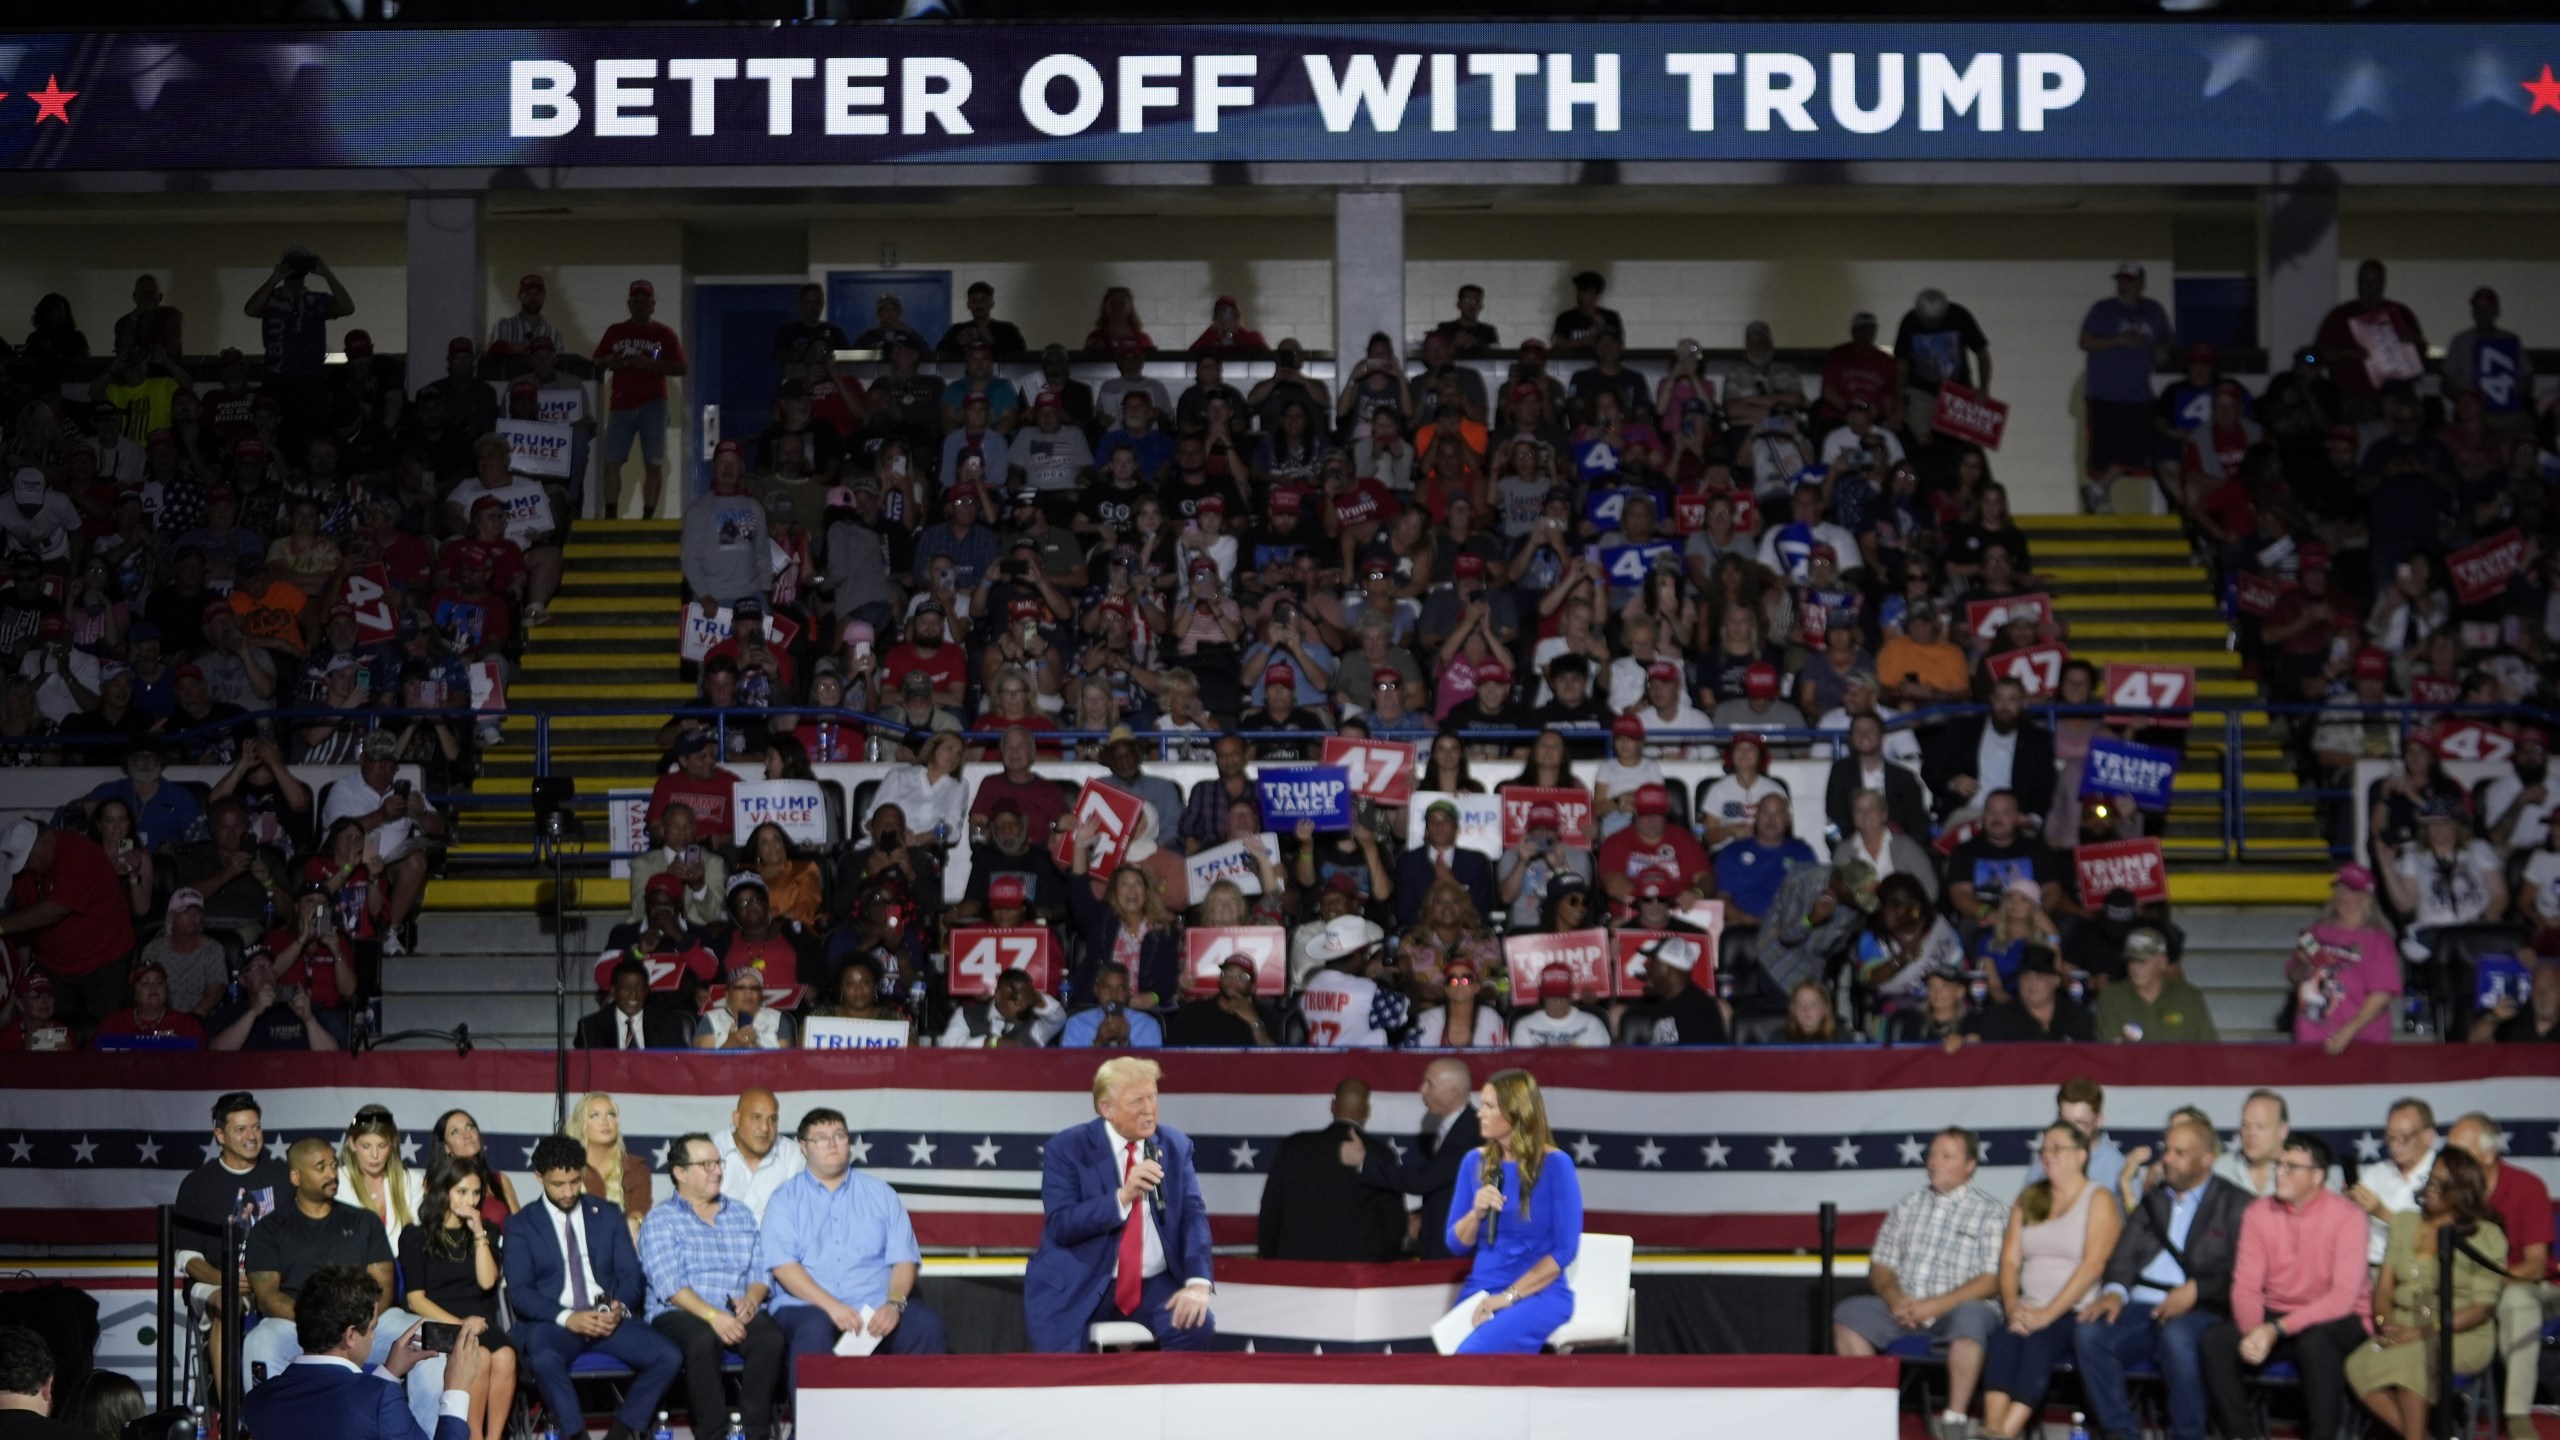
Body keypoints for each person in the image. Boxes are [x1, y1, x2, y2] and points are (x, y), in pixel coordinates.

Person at [2071, 1112, 2250, 1440]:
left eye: (2179, 1153)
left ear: (2206, 1159)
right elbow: (2124, 1254)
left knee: (2178, 1338)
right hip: (2144, 1306)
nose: (2167, 1159)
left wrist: (2196, 1291)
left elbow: (2243, 1270)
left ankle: (2188, 1435)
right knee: (2089, 1334)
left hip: (2203, 1308)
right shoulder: (2154, 1200)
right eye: (2167, 1150)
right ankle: (2121, 1433)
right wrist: (2113, 1292)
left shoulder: (2235, 1204)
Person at [1023, 1057, 1216, 1353]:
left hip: (1152, 1282)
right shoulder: (1068, 1149)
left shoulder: (1174, 1146)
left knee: (1195, 1325)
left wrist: (1198, 1281)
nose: (1149, 1109)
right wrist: (1122, 1197)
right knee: (1061, 1372)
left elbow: (1193, 1217)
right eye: (1136, 1101)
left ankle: (1162, 1399)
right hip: (1080, 1282)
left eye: (1152, 1096)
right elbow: (1062, 1225)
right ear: (1107, 1109)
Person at [1833, 1128, 2009, 1439]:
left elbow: (1992, 1280)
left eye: (1946, 1156)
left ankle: (1954, 1421)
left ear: (1969, 1166)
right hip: (1905, 1309)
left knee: (1972, 1316)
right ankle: (1870, 1412)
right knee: (1849, 1315)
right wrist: (1895, 1298)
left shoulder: (1991, 1212)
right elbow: (1881, 1266)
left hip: (1955, 1313)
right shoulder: (1907, 1206)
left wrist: (1935, 1305)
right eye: (1932, 1154)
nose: (1934, 1162)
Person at [503, 1135, 681, 1440]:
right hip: (556, 1322)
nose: (569, 1191)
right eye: (559, 1184)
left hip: (607, 1319)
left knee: (669, 1356)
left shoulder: (608, 1214)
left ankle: (620, 1433)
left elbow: (631, 1275)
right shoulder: (522, 1225)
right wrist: (568, 1317)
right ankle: (577, 1436)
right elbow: (521, 1293)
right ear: (539, 1177)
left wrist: (619, 1307)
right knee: (544, 1359)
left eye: (575, 1181)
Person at [2199, 1133, 2372, 1440]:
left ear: (2317, 1176)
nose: (2279, 1172)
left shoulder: (2349, 1216)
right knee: (2215, 1342)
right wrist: (2254, 1331)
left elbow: (2343, 1299)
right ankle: (2242, 1435)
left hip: (2340, 1320)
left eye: (2291, 1167)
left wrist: (2274, 1330)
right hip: (2277, 1315)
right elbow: (2246, 1286)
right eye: (2279, 1164)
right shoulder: (2258, 1212)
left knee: (2316, 1343)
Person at [2342, 1146, 2508, 1439]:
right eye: (2430, 1179)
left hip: (2460, 1334)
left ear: (2461, 1191)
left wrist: (2421, 1332)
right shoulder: (2406, 1222)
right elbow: (2385, 1286)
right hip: (2405, 1326)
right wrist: (2384, 1322)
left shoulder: (2486, 1235)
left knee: (2412, 1358)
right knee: (2358, 1363)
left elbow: (2481, 1308)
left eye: (2439, 1183)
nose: (2429, 1187)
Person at [1979, 1122, 2121, 1440]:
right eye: (2044, 1149)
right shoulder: (2030, 1197)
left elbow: (2093, 1266)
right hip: (2027, 1306)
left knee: (2039, 1343)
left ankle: (2006, 1432)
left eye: (2057, 1148)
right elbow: (2010, 1260)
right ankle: (1993, 1428)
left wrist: (2047, 1314)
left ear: (2081, 1155)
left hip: (2073, 1309)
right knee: (2005, 1338)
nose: (2048, 1155)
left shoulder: (2099, 1199)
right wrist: (2012, 1304)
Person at [641, 1133, 788, 1440]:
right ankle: (713, 1434)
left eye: (718, 1162)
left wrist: (751, 1297)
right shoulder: (661, 1219)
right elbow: (670, 1285)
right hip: (681, 1311)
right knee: (701, 1341)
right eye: (705, 1164)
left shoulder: (740, 1213)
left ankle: (754, 1432)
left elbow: (760, 1270)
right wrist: (713, 1316)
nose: (717, 1171)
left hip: (735, 1308)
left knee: (770, 1338)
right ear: (680, 1173)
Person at [241, 1138, 419, 1391]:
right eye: (321, 1167)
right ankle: (269, 1427)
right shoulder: (269, 1230)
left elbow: (383, 1288)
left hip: (360, 1328)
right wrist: (320, 1323)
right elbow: (267, 1295)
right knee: (260, 1341)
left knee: (425, 1339)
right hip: (297, 1327)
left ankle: (427, 1430)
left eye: (334, 1165)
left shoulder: (364, 1222)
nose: (331, 1173)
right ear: (296, 1176)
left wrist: (355, 1324)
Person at [236, 1267, 482, 1440]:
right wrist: (456, 1389)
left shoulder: (259, 1400)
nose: (374, 1336)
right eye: (373, 1328)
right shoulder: (380, 1400)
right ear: (351, 1335)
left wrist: (390, 1372)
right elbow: (361, 1408)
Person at [1445, 1069, 1581, 1354]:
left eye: (1489, 1106)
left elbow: (1565, 1250)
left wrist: (1507, 1297)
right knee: (1449, 1352)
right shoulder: (1474, 1162)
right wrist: (1476, 1213)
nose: (1480, 1113)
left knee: (1470, 1353)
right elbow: (1456, 1244)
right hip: (1482, 1286)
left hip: (1538, 1292)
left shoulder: (1557, 1165)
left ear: (1516, 1112)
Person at [2442, 1116, 2559, 1439]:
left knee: (2516, 1300)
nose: (2450, 1159)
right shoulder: (2449, 1193)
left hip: (2533, 1288)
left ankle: (2517, 1415)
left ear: (2489, 1155)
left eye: (2459, 1151)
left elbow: (2535, 1265)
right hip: (2467, 1290)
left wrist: (2483, 1289)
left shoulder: (2527, 1186)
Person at [398, 1157, 518, 1440]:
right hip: (438, 1322)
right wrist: (461, 1326)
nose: (471, 1199)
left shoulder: (487, 1230)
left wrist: (478, 1233)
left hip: (480, 1319)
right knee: (481, 1356)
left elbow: (488, 1281)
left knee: (506, 1356)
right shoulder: (415, 1236)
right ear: (443, 1190)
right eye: (462, 1192)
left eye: (476, 1192)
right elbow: (415, 1300)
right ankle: (472, 1436)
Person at [1257, 1080, 1406, 1262]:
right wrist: (1382, 1262)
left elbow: (1271, 1208)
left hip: (1297, 1268)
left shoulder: (1294, 1146)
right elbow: (1394, 1221)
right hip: (1357, 1272)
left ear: (1333, 1106)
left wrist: (1271, 1258)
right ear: (1367, 1111)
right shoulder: (1380, 1153)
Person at [2353, 1098, 2441, 1266]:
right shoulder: (2374, 1174)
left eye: (2403, 1137)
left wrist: (2381, 1212)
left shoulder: (2444, 1176)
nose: (2394, 1145)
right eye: (2389, 1136)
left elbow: (2435, 1234)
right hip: (2371, 1267)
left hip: (2422, 1268)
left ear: (2428, 1136)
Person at [2091, 928, 2219, 1044]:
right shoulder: (2112, 998)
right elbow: (2113, 1054)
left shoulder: (2189, 998)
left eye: (2142, 960)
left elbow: (2210, 1052)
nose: (2135, 967)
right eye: (2131, 960)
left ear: (2162, 963)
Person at [565, 1092, 651, 1238]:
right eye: (595, 1115)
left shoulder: (636, 1168)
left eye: (611, 1115)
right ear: (580, 1124)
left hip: (624, 1247)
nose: (605, 1122)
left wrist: (634, 1222)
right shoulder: (565, 1167)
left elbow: (640, 1208)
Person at [1965, 945, 2094, 1043]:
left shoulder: (2077, 1015)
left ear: (2056, 981)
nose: (2032, 983)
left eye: (2040, 977)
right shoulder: (1999, 1017)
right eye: (2026, 977)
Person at [575, 954, 690, 1051]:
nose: (633, 994)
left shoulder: (669, 1025)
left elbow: (676, 1070)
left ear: (647, 991)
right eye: (626, 988)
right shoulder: (590, 1027)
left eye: (639, 988)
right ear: (614, 990)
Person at [1059, 962, 1164, 1048]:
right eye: (1107, 988)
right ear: (1096, 990)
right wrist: (1098, 1043)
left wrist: (1125, 1044)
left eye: (1120, 989)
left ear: (1128, 992)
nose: (1114, 995)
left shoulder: (1147, 1025)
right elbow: (1071, 1068)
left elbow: (1151, 1069)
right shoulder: (1077, 1023)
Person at [1511, 963, 1612, 1047]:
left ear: (1571, 995)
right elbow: (1521, 1067)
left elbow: (1603, 1064)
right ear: (1543, 997)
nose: (1558, 1001)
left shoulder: (1592, 1024)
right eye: (1552, 996)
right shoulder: (1525, 1026)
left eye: (1562, 995)